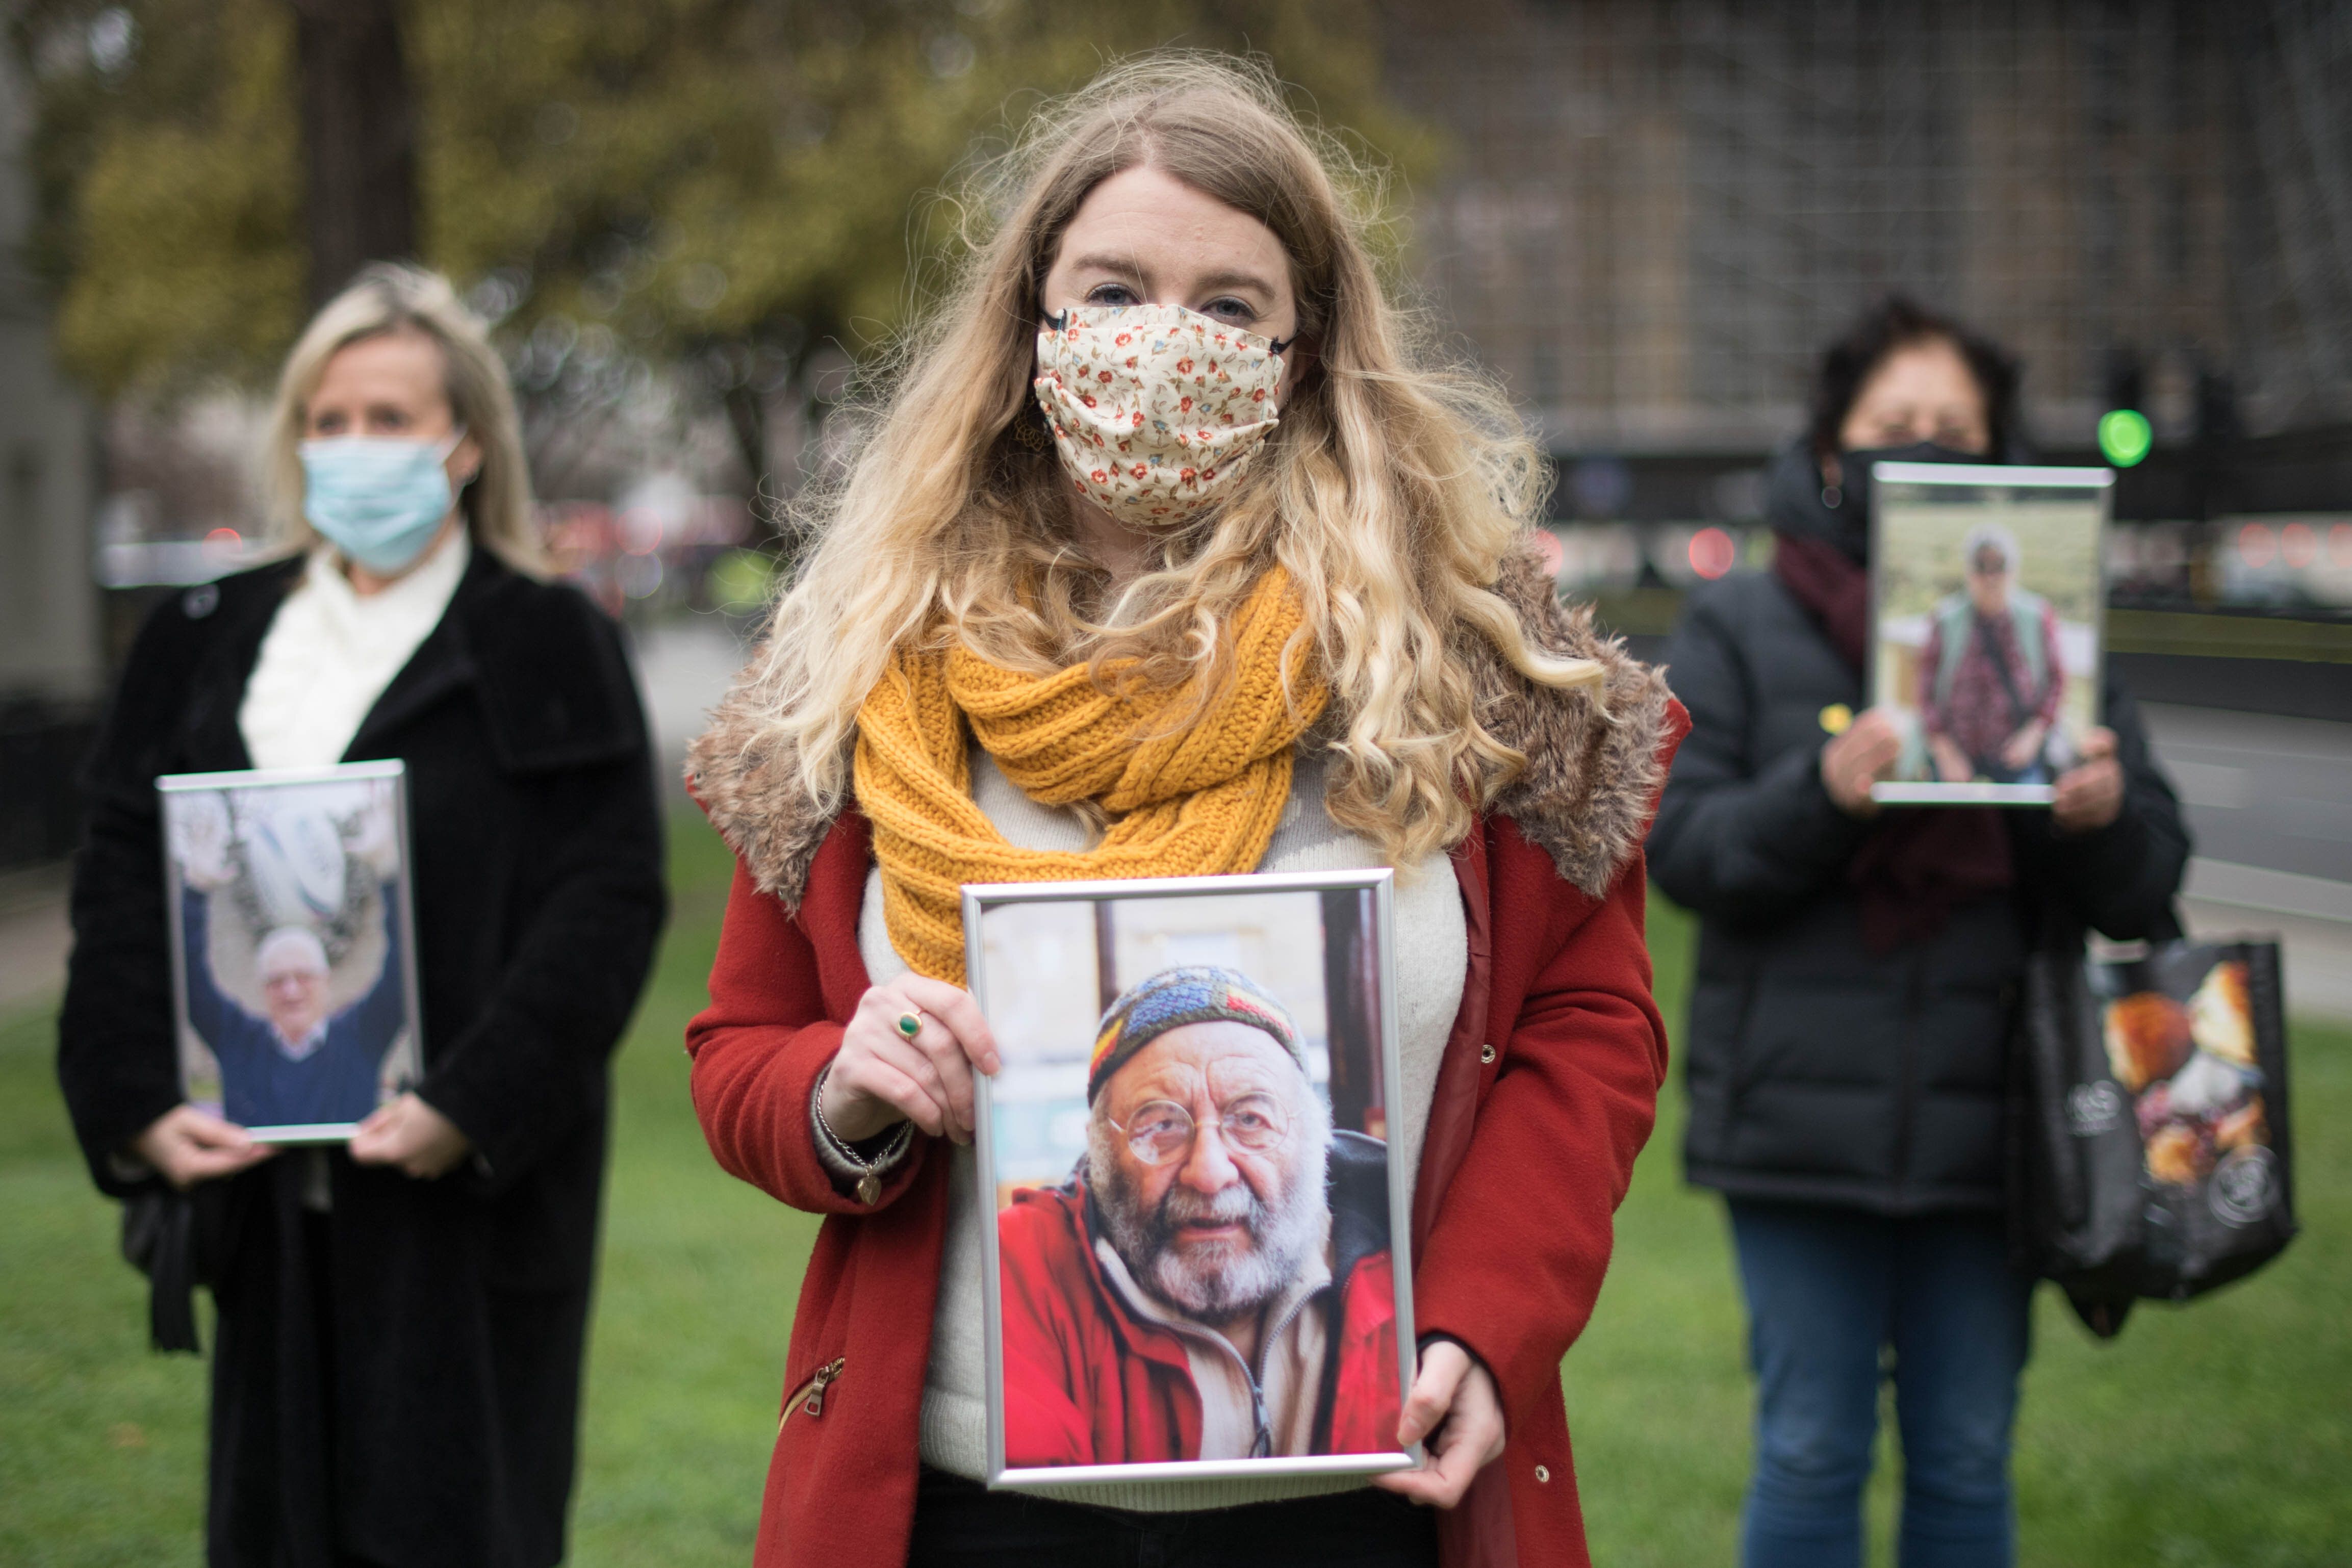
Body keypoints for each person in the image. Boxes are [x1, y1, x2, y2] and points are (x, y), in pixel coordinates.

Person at [684, 54, 1683, 1568]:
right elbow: (739, 1054)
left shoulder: (1462, 663)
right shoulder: (862, 671)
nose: (1165, 341)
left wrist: (1486, 1327)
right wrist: (847, 1088)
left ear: (1303, 350)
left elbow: (1587, 1034)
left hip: (1355, 1500)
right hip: (964, 1506)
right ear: (1032, 331)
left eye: (1228, 305)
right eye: (1111, 290)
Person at [56, 264, 668, 1568]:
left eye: (389, 420)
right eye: (325, 422)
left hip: (465, 1206)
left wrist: (471, 1102)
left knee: (463, 1531)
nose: (353, 450)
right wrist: (128, 1101)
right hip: (258, 1195)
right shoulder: (205, 636)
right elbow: (119, 873)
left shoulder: (549, 639)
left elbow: (606, 900)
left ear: (461, 445)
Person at [1648, 294, 2190, 1568]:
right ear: (1831, 449)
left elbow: (2145, 883)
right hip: (1792, 1125)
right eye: (1896, 422)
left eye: (1954, 425)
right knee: (1806, 1449)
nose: (1925, 443)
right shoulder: (1740, 622)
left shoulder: (2061, 635)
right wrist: (1823, 795)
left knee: (1961, 1453)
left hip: (1996, 1121)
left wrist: (2097, 815)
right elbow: (1684, 853)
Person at [999, 965, 1398, 1468]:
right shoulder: (1025, 1265)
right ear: (1099, 1151)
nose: (1208, 1173)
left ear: (1316, 1137)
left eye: (1251, 1119)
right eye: (1161, 1125)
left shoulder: (1413, 1241)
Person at [1919, 523, 2066, 785]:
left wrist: (2034, 735)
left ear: (2012, 570)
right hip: (1957, 757)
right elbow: (1926, 692)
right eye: (1981, 567)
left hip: (2016, 754)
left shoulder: (2037, 617)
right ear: (1968, 572)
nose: (1990, 578)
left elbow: (2057, 681)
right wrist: (1945, 752)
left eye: (1998, 566)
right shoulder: (1945, 619)